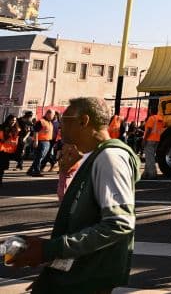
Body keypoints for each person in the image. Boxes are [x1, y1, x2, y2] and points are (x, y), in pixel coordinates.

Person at [9, 96, 140, 293]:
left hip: (87, 278)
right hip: (77, 274)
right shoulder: (96, 156)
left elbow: (119, 223)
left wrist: (50, 250)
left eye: (65, 119)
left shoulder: (110, 157)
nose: (60, 126)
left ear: (84, 121)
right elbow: (80, 213)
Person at [142, 104, 166, 179]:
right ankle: (146, 174)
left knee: (150, 158)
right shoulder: (161, 119)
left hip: (150, 140)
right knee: (150, 157)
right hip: (157, 140)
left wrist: (144, 139)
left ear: (150, 111)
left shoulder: (151, 118)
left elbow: (149, 130)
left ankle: (152, 174)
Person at [29, 110, 54, 176]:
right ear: (48, 114)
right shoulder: (41, 121)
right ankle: (36, 171)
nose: (53, 116)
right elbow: (35, 131)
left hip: (47, 141)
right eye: (52, 115)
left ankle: (31, 170)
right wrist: (36, 141)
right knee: (39, 157)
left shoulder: (49, 122)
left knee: (40, 157)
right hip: (41, 142)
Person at [0, 114, 19, 186]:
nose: (13, 122)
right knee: (1, 167)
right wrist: (3, 140)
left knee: (3, 167)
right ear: (8, 120)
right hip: (1, 149)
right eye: (12, 120)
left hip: (8, 150)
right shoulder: (2, 127)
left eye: (14, 120)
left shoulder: (16, 129)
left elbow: (17, 140)